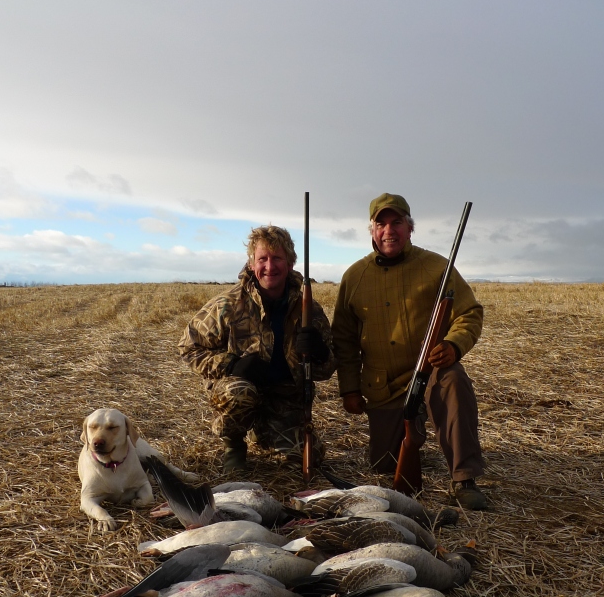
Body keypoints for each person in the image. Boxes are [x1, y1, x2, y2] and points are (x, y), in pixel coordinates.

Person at [331, 193, 487, 509]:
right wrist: (349, 389)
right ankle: (412, 437)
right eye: (381, 224)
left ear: (410, 228)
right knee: (384, 466)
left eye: (397, 222)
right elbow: (344, 340)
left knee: (453, 380)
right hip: (384, 388)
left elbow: (469, 312)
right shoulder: (354, 277)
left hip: (430, 373)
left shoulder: (437, 267)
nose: (389, 231)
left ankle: (464, 478)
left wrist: (454, 345)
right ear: (372, 230)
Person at [179, 225, 335, 473]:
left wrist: (321, 353)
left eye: (277, 258)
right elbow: (189, 348)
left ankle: (264, 432)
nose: (269, 267)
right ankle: (234, 446)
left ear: (291, 263)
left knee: (310, 456)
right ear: (252, 264)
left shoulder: (308, 309)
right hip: (242, 392)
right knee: (238, 392)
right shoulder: (227, 304)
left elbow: (326, 370)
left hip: (284, 399)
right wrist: (231, 364)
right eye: (262, 259)